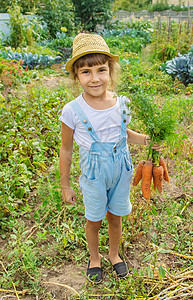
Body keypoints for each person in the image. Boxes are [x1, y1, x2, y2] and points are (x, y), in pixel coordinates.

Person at [59, 33, 159, 283]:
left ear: (111, 71)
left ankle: (114, 254)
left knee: (116, 216)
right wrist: (65, 184)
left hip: (120, 169)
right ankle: (95, 258)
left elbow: (125, 134)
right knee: (94, 220)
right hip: (93, 173)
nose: (94, 78)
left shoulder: (121, 103)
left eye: (101, 70)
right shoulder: (72, 110)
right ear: (76, 76)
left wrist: (147, 140)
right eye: (86, 72)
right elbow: (66, 150)